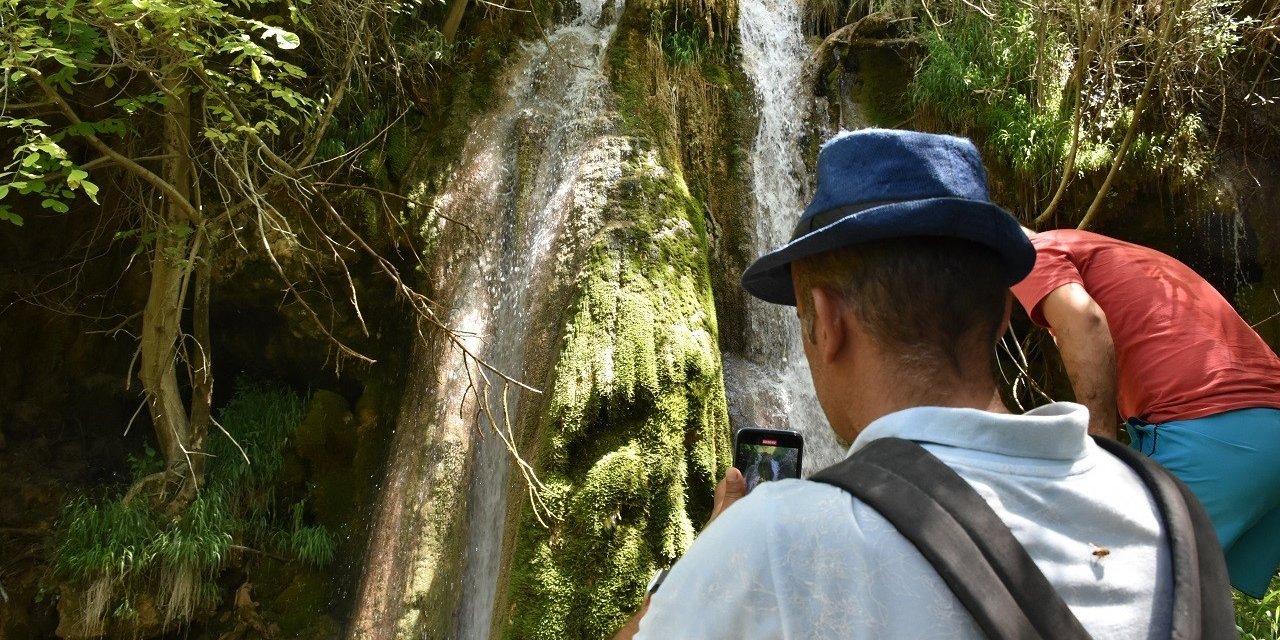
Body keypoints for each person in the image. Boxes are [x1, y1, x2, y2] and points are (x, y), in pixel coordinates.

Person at [613, 129, 1177, 639]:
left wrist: (708, 561)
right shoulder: (1164, 509)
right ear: (1006, 315)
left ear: (826, 323)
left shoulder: (776, 543)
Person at [1011, 227, 1280, 597]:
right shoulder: (1113, 251)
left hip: (1209, 434)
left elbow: (1084, 322)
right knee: (1185, 604)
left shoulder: (1033, 252)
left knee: (1101, 585)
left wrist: (1099, 454)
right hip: (1267, 431)